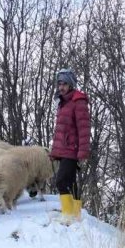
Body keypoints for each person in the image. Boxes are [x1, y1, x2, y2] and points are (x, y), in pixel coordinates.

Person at [50, 68, 91, 221]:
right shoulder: (63, 102)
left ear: (71, 84)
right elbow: (60, 130)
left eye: (64, 83)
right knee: (71, 181)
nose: (61, 87)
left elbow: (84, 128)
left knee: (61, 181)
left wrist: (82, 151)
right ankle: (76, 215)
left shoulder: (77, 101)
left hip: (72, 149)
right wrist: (55, 151)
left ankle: (67, 215)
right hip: (64, 149)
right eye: (59, 83)